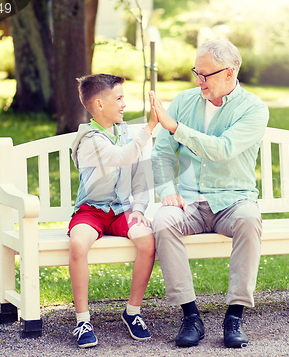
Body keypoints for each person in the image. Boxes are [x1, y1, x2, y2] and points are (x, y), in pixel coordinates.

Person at [150, 39, 269, 348]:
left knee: (249, 220)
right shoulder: (183, 101)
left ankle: (234, 317)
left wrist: (177, 128)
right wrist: (166, 190)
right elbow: (161, 153)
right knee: (162, 222)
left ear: (229, 73)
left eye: (205, 74)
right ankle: (191, 316)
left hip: (233, 200)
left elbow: (223, 150)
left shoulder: (253, 109)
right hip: (189, 201)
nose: (198, 81)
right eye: (196, 73)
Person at [68, 74, 158, 348]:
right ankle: (83, 320)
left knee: (147, 241)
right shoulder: (90, 139)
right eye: (118, 99)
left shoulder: (127, 134)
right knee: (77, 245)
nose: (124, 104)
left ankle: (132, 312)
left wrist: (140, 209)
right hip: (91, 211)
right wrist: (150, 126)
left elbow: (141, 177)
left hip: (121, 210)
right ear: (98, 104)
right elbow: (122, 157)